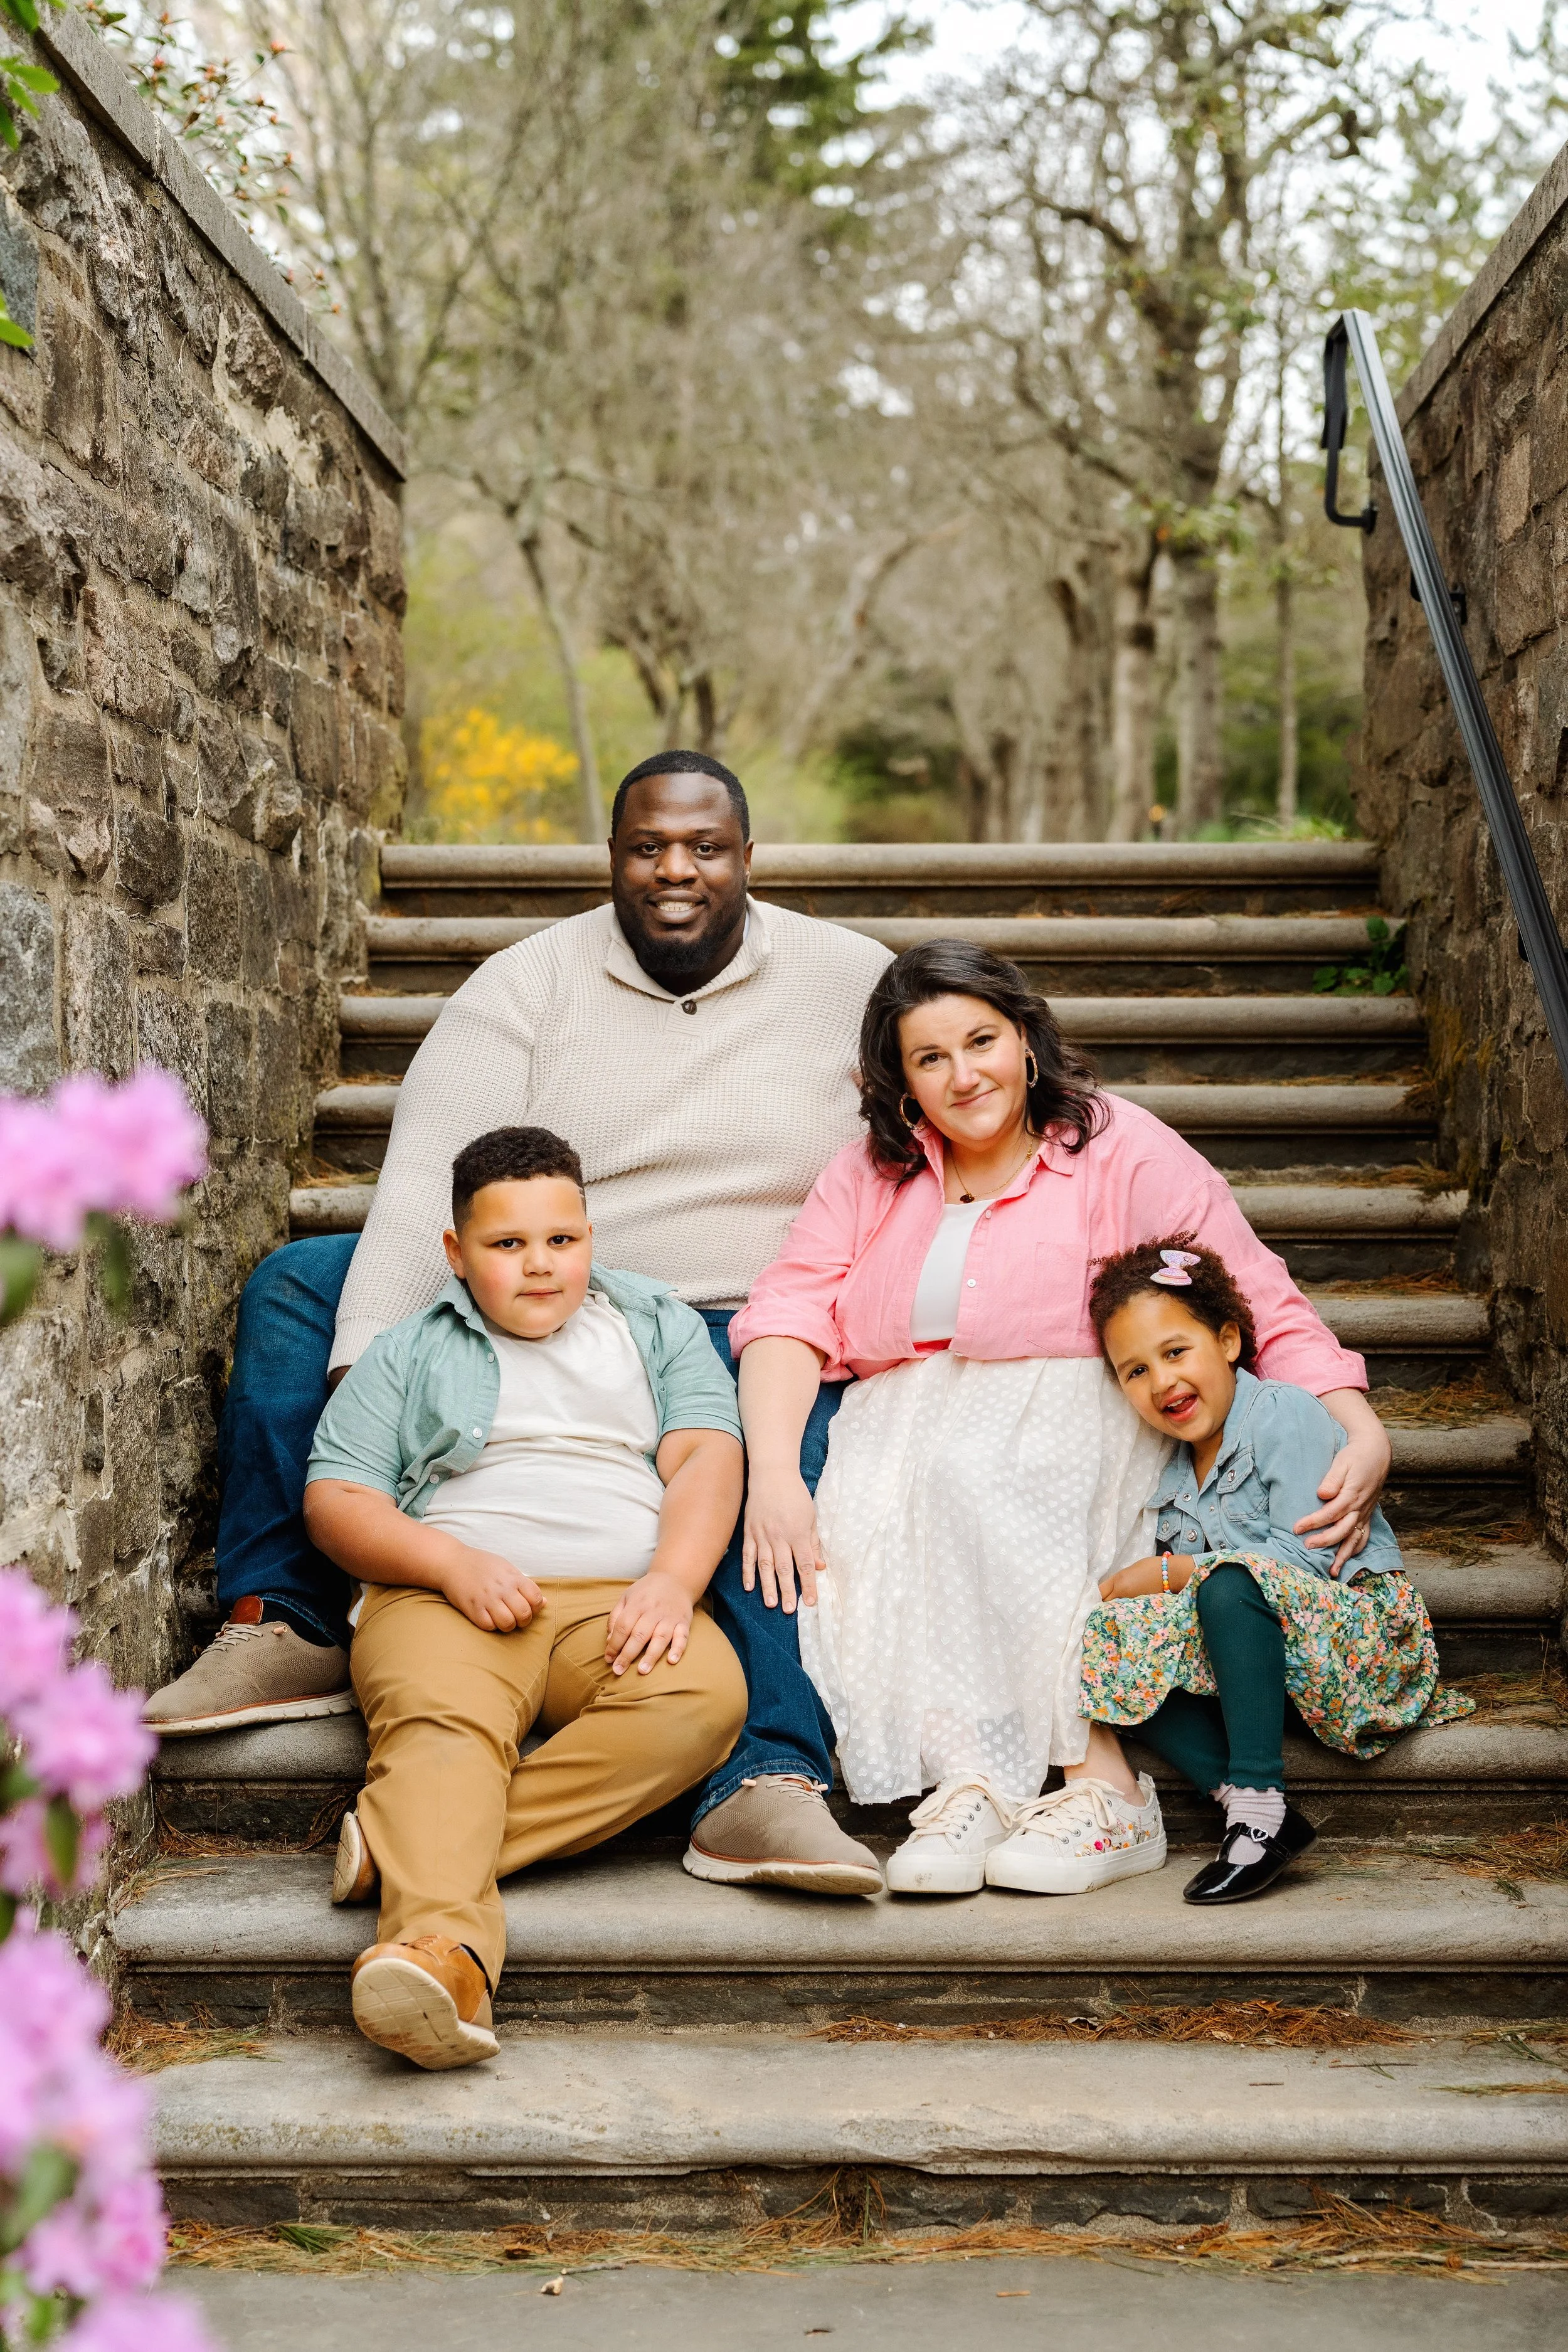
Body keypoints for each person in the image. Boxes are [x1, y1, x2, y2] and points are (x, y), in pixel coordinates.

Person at [145, 751, 893, 1896]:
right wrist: (380, 1395)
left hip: (756, 1308)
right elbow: (417, 1194)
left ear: (750, 857)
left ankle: (764, 1778)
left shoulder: (852, 981)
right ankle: (285, 1614)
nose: (675, 870)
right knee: (302, 1280)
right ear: (611, 860)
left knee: (761, 1430)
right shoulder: (526, 986)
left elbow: (932, 1139)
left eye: (704, 847)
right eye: (648, 849)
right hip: (547, 1276)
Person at [728, 939, 1394, 1899]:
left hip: (1072, 1415)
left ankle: (1106, 1789)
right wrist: (778, 1474)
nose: (965, 1075)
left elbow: (1254, 1299)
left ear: (1027, 1041)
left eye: (982, 1040)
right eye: (931, 1058)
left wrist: (1356, 1426)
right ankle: (974, 1784)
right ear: (902, 1081)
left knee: (988, 1483)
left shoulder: (1116, 1145)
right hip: (901, 1426)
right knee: (868, 1519)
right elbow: (788, 1315)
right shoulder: (872, 1174)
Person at [302, 1126, 748, 2069]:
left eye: (562, 1240)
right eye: (508, 1246)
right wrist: (450, 1563)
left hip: (613, 1600)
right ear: (457, 1255)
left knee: (701, 1698)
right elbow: (337, 1497)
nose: (540, 1266)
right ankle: (445, 1959)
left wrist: (673, 1578)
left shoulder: (654, 1323)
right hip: (447, 1598)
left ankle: (404, 1841)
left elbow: (708, 1451)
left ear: (591, 1235)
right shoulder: (408, 1350)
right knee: (445, 1722)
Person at [1079, 1234, 1471, 1905]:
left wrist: (1167, 1573)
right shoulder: (1170, 1475)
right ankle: (1244, 1800)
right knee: (1105, 1636)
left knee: (1231, 1581)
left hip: (1356, 1645)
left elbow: (1308, 1559)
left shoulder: (1282, 1413)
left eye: (1176, 1352)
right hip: (1268, 1666)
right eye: (1134, 1371)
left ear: (1228, 1341)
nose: (1162, 1380)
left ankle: (1257, 1813)